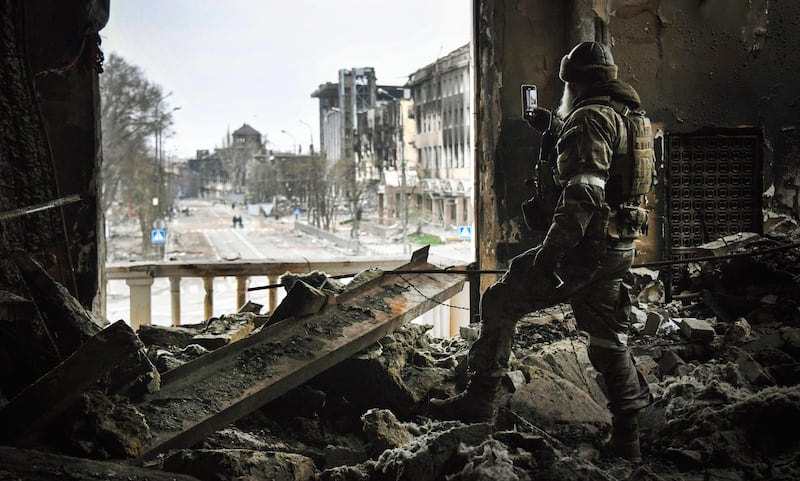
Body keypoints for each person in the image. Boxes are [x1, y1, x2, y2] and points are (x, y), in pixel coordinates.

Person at [427, 41, 651, 461]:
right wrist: (554, 126)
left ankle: (479, 401)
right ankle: (629, 437)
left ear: (573, 81)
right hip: (618, 245)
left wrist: (550, 257)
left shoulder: (588, 118)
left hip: (583, 250)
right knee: (607, 337)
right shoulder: (629, 115)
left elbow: (583, 194)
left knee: (500, 302)